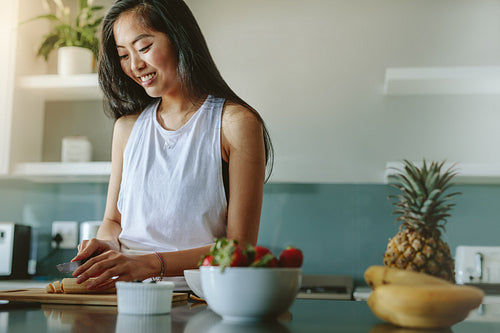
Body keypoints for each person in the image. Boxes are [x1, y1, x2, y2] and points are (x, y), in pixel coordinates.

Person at [71, 0, 273, 291]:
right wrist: (104, 245)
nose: (135, 65)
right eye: (123, 55)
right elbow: (113, 220)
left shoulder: (235, 123)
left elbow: (239, 247)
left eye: (143, 47)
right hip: (127, 295)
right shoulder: (127, 129)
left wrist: (148, 263)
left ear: (179, 37)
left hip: (199, 298)